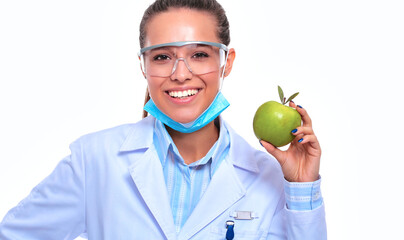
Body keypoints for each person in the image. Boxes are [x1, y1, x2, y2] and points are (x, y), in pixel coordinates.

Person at [0, 0, 327, 239]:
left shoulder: (266, 177)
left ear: (227, 62)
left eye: (199, 54)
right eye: (162, 57)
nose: (180, 74)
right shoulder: (94, 161)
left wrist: (302, 188)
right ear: (144, 66)